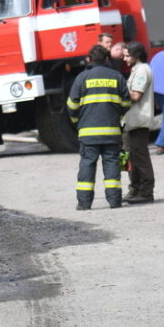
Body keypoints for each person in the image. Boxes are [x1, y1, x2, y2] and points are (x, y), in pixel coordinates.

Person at [67, 44, 131, 210]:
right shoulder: (116, 77)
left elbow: (72, 106)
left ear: (89, 59)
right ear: (107, 58)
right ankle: (115, 201)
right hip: (111, 132)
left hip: (88, 133)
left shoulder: (82, 78)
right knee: (112, 165)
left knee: (87, 165)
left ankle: (84, 203)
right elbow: (126, 103)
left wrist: (77, 123)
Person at [122, 41, 155, 204]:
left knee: (140, 157)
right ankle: (135, 189)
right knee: (130, 157)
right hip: (131, 122)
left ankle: (146, 192)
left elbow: (135, 96)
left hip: (139, 121)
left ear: (136, 55)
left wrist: (118, 90)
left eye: (127, 56)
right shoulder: (136, 70)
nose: (125, 59)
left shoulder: (142, 71)